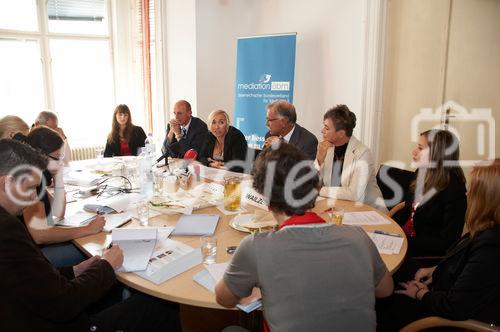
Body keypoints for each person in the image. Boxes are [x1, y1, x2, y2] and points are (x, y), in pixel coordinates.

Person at [0, 139, 181, 331]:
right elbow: (63, 303)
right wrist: (107, 265)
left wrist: (75, 270)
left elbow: (32, 280)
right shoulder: (7, 230)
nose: (33, 197)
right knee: (162, 306)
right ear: (8, 181)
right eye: (29, 188)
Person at [215, 143, 393, 331]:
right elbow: (385, 289)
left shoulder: (256, 247)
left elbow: (224, 298)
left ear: (266, 200)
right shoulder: (358, 236)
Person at [377, 159, 500, 330]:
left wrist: (421, 294)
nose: (467, 194)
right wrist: (435, 270)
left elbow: (454, 307)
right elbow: (465, 266)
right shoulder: (487, 229)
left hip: (444, 319)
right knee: (390, 277)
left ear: (486, 198)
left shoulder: (491, 248)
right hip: (440, 287)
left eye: (472, 190)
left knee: (380, 305)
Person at [24, 126, 104, 267]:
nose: (61, 162)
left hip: (40, 248)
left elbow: (57, 214)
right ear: (40, 155)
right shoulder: (28, 181)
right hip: (34, 257)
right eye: (58, 157)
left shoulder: (39, 176)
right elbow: (40, 235)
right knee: (96, 249)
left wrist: (58, 177)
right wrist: (88, 229)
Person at [392, 129, 467, 258]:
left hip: (424, 256)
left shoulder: (454, 189)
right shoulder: (421, 173)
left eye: (420, 148)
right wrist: (390, 231)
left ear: (437, 153)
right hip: (403, 242)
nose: (414, 152)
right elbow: (407, 211)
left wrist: (403, 241)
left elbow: (447, 242)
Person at [316, 105, 386, 211]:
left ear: (341, 133)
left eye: (326, 128)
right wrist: (318, 160)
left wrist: (319, 190)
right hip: (335, 209)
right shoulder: (326, 148)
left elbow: (354, 194)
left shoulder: (363, 153)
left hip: (366, 212)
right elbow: (310, 184)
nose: (322, 131)